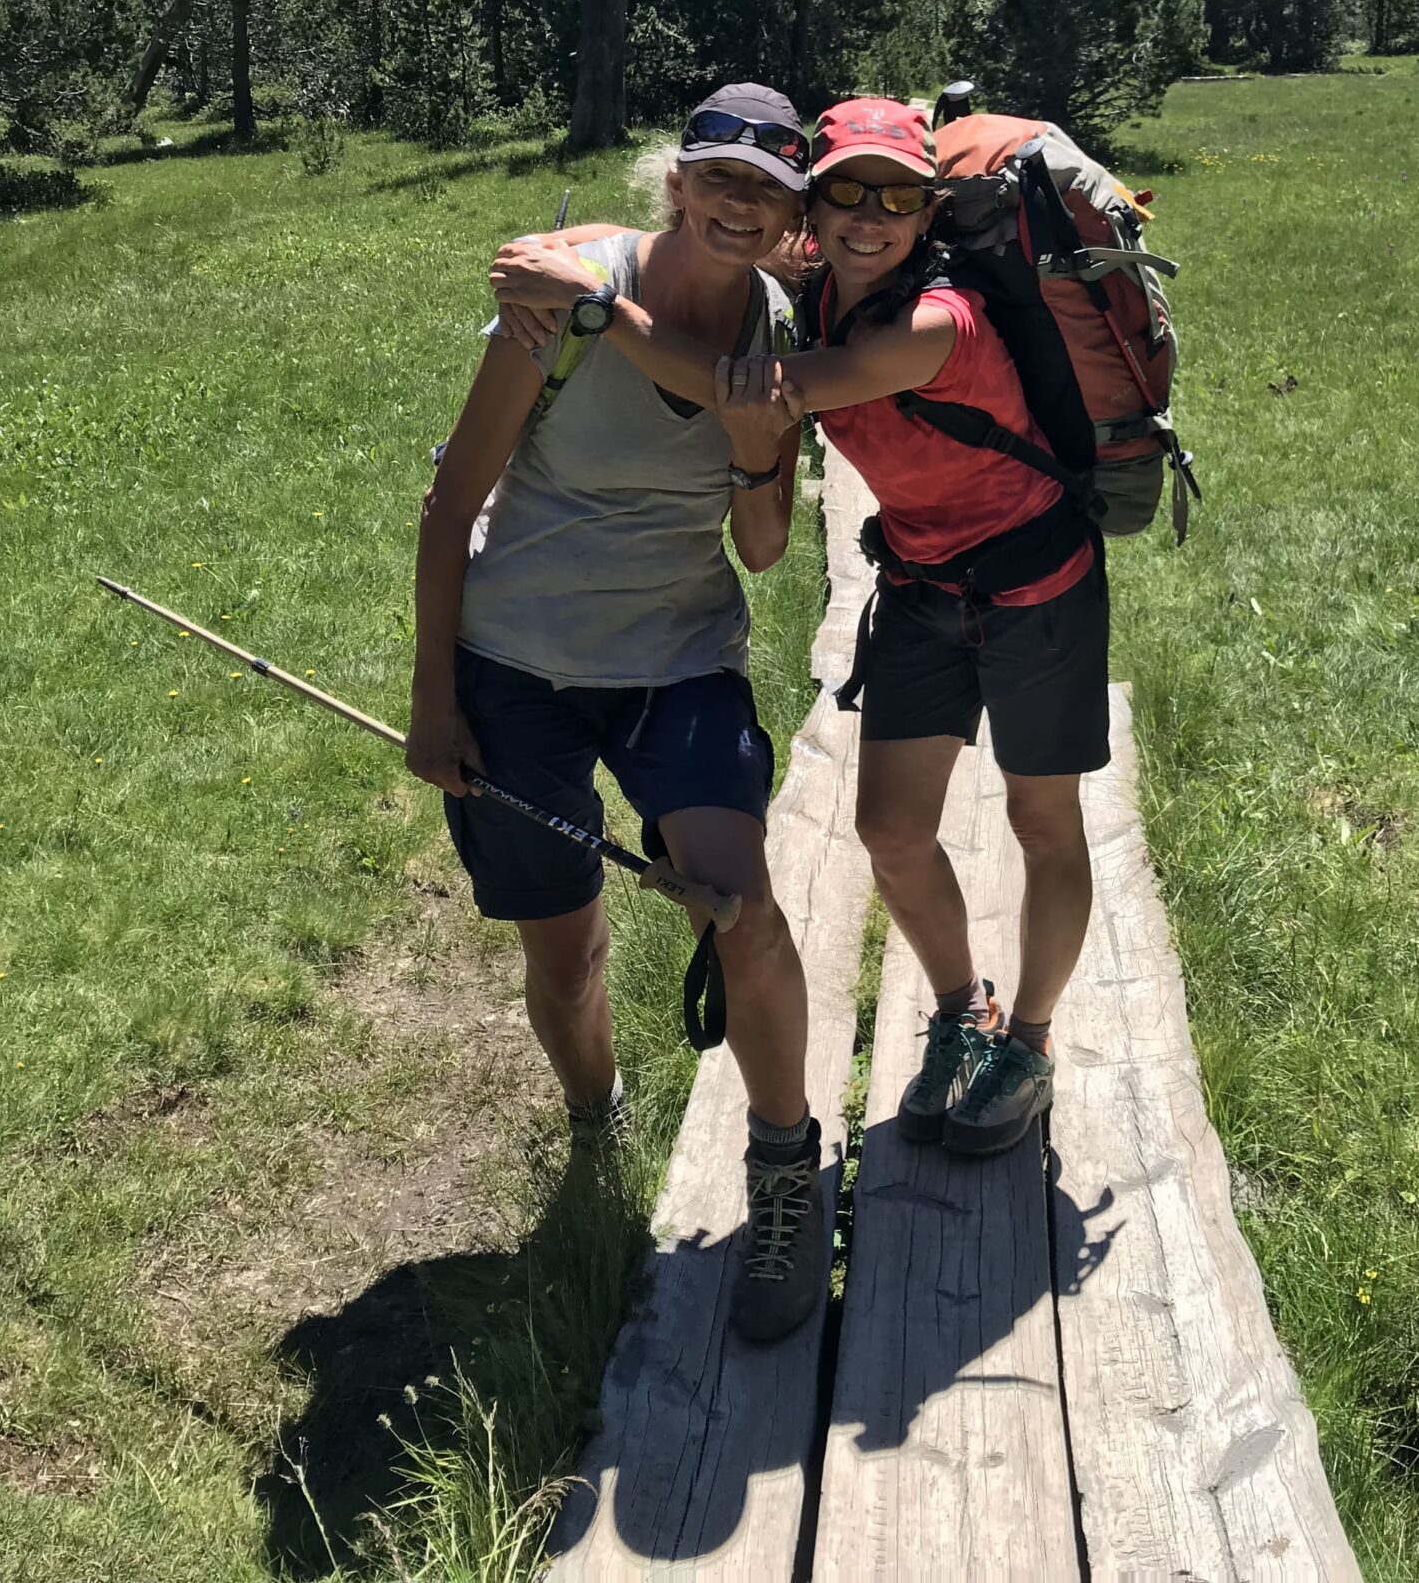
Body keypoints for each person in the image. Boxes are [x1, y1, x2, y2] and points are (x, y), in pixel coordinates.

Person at [490, 97, 1110, 1160]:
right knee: (893, 832)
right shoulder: (811, 294)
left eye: (900, 198)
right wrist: (570, 252)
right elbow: (662, 242)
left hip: (1036, 581)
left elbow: (753, 393)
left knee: (1043, 823)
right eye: (847, 193)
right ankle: (966, 1010)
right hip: (920, 584)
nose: (872, 216)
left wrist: (591, 301)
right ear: (811, 213)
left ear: (928, 215)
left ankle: (1032, 1044)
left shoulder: (935, 323)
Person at [408, 82, 828, 1343]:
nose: (740, 208)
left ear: (792, 215)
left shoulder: (779, 330)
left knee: (741, 907)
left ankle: (788, 1170)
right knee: (566, 948)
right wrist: (436, 697)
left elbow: (760, 552)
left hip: (676, 658)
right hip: (515, 662)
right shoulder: (558, 300)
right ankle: (595, 1118)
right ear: (676, 183)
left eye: (769, 191)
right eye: (720, 180)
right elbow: (450, 507)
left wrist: (762, 448)